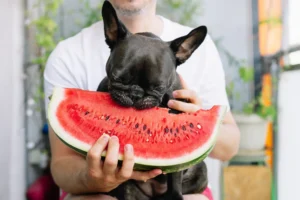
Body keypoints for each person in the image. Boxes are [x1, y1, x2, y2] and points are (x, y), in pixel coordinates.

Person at [43, 0, 241, 199]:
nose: (136, 96)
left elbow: (230, 147)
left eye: (155, 87)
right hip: (100, 190)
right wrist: (93, 179)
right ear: (110, 35)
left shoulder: (204, 52)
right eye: (120, 80)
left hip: (180, 187)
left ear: (183, 55)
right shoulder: (68, 55)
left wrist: (198, 123)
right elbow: (62, 163)